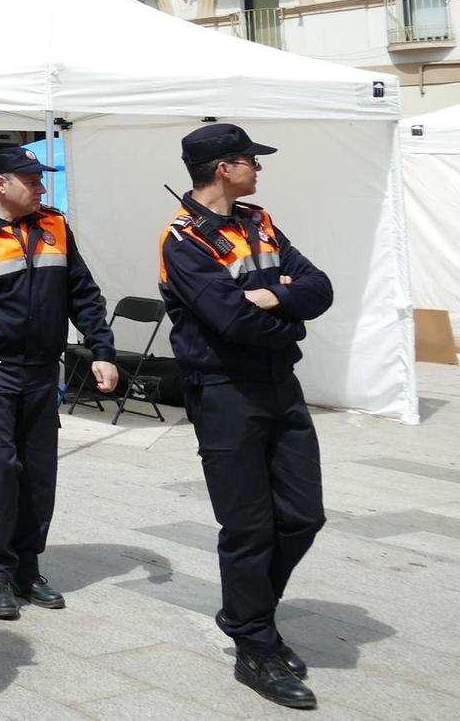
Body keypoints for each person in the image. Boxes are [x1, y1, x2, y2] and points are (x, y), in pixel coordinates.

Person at [160, 124, 332, 711]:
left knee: (304, 515)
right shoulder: (183, 239)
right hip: (225, 391)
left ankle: (244, 613)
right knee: (249, 527)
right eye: (249, 161)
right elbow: (229, 320)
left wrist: (276, 297)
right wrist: (287, 308)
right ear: (221, 168)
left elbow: (321, 286)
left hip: (280, 383)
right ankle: (255, 646)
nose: (258, 169)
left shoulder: (259, 222)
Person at [0, 145, 116, 621]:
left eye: (40, 180)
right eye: (32, 180)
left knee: (38, 474)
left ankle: (29, 568)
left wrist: (102, 349)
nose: (41, 188)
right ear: (2, 184)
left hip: (40, 372)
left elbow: (83, 294)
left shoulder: (54, 226)